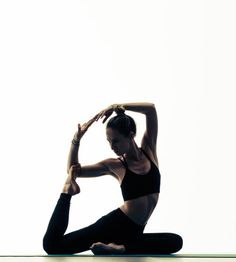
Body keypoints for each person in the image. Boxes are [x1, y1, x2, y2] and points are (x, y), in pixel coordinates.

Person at [43, 102, 183, 255]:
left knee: (176, 241)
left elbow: (151, 109)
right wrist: (76, 140)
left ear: (130, 136)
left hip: (135, 232)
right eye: (109, 141)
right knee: (53, 245)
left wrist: (118, 105)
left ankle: (119, 248)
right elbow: (73, 170)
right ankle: (66, 193)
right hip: (112, 226)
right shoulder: (114, 165)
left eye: (115, 141)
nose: (112, 146)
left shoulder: (149, 149)